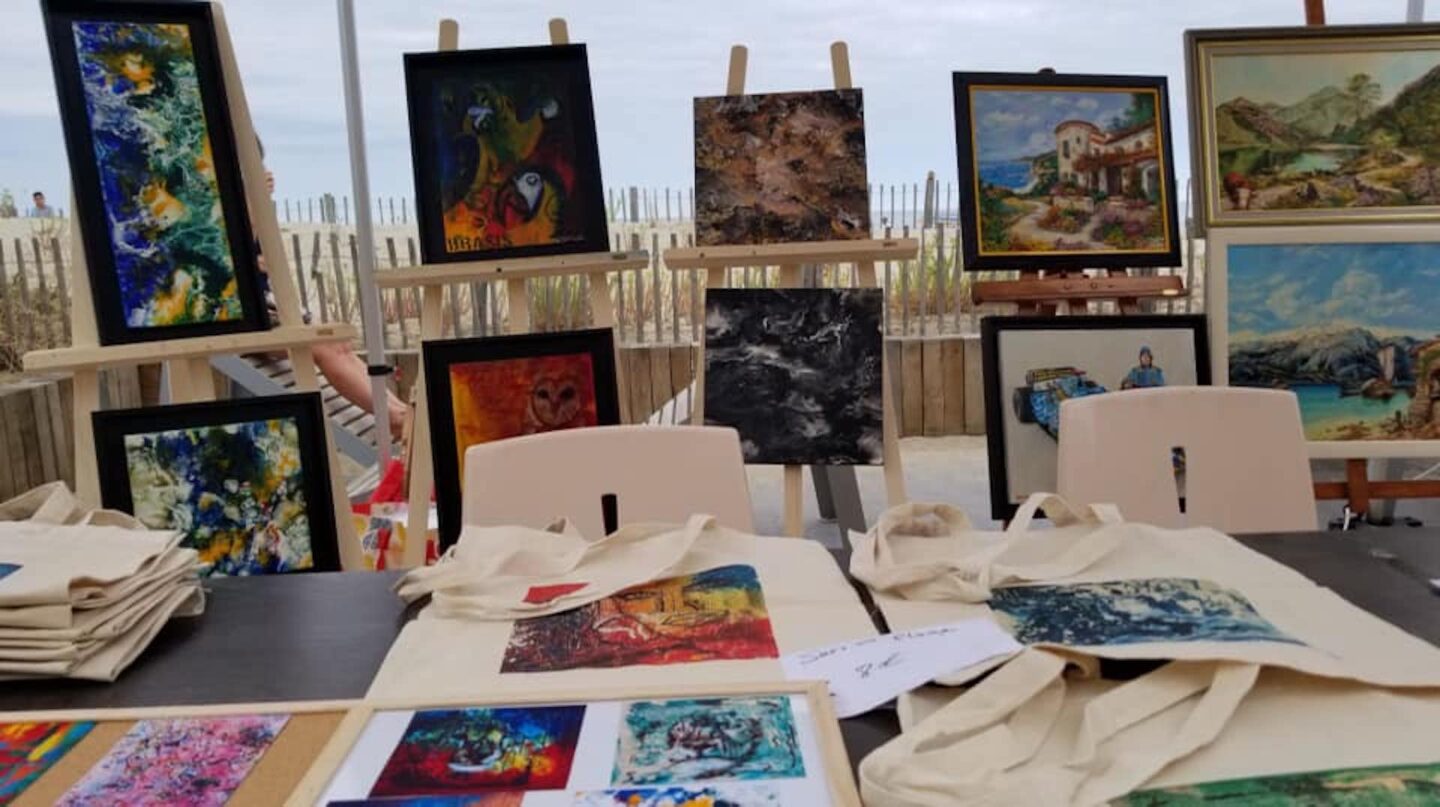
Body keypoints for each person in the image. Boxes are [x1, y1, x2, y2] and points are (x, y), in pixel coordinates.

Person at [254, 138, 409, 437]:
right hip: (245, 323)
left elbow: (265, 258)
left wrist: (260, 204)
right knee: (324, 346)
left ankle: (397, 410)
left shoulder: (248, 208)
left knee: (339, 343)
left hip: (269, 311)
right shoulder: (224, 212)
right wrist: (254, 200)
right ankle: (393, 417)